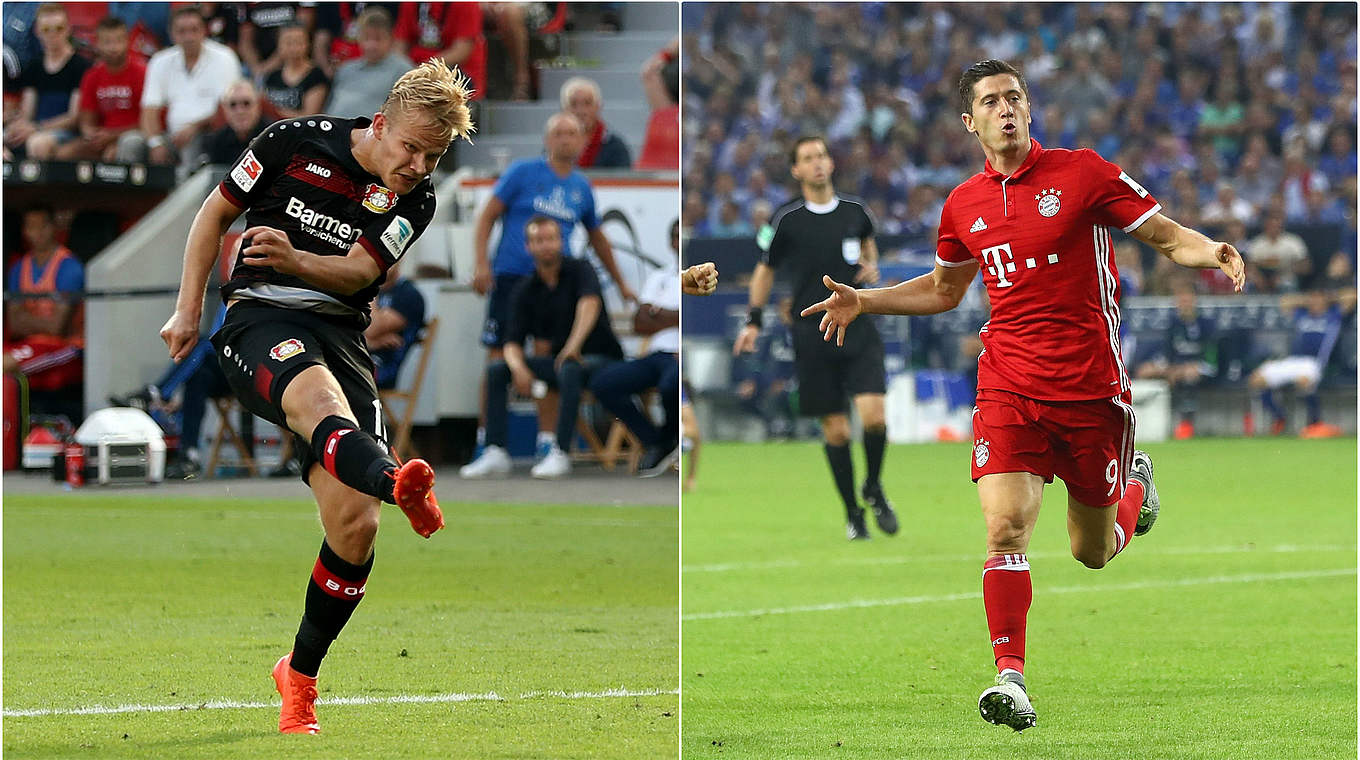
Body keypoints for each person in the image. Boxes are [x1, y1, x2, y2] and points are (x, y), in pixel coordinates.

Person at [802, 59, 1246, 732]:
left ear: (1029, 108)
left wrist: (1212, 250)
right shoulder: (962, 206)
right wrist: (867, 299)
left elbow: (1164, 235)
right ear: (969, 121)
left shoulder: (1083, 174)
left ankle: (1135, 490)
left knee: (1091, 551)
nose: (1006, 108)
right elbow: (945, 291)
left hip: (1092, 391)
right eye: (991, 101)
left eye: (1015, 97)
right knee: (1005, 527)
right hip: (1008, 383)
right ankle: (1011, 677)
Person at [158, 58, 473, 735]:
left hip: (339, 330)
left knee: (355, 527)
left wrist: (296, 256)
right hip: (259, 318)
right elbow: (212, 216)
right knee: (317, 402)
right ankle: (399, 482)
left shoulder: (416, 199)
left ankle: (298, 677)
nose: (419, 164)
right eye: (411, 147)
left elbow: (359, 270)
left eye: (433, 155)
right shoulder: (291, 141)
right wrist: (188, 309)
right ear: (380, 124)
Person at [734, 134, 898, 542]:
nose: (818, 163)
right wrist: (753, 320)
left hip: (858, 324)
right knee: (837, 430)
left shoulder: (856, 212)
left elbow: (869, 251)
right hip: (813, 331)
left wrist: (871, 269)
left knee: (874, 417)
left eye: (821, 155)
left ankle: (873, 486)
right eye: (808, 158)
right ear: (796, 170)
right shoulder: (785, 221)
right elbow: (765, 270)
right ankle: (852, 513)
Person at [460, 216, 625, 480]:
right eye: (539, 240)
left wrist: (573, 346)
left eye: (551, 238)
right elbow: (512, 341)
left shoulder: (580, 269)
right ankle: (495, 450)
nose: (546, 245)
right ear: (528, 247)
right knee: (497, 370)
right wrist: (519, 369)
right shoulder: (526, 288)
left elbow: (590, 304)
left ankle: (560, 451)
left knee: (569, 367)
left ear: (561, 241)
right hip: (561, 363)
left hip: (601, 358)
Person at [589, 220, 682, 477]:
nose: (678, 241)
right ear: (670, 242)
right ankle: (657, 441)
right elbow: (639, 323)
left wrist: (659, 315)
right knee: (603, 384)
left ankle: (667, 440)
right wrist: (679, 316)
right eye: (674, 236)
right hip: (656, 354)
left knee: (670, 386)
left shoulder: (703, 275)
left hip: (682, 355)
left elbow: (695, 319)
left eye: (681, 236)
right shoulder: (660, 277)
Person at [3, 206, 85, 423]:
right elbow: (13, 323)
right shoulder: (18, 268)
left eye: (42, 227)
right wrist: (39, 323)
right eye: (30, 227)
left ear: (53, 228)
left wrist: (26, 320)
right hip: (29, 344)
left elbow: (57, 328)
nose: (36, 233)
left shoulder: (69, 267)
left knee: (5, 365)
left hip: (66, 347)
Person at [136, 5, 242, 168]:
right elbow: (149, 110)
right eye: (182, 31)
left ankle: (187, 192)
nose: (189, 36)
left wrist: (195, 127)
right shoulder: (160, 60)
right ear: (171, 33)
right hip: (172, 135)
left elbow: (230, 108)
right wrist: (156, 143)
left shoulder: (225, 57)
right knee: (131, 143)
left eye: (194, 30)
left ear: (204, 30)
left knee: (192, 142)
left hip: (210, 133)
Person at [1248, 289, 1349, 438]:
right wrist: (1308, 300)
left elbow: (1351, 297)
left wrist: (1328, 299)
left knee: (1303, 381)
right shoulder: (1303, 314)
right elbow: (1285, 301)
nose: (1315, 303)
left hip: (1314, 363)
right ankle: (1279, 417)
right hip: (1292, 360)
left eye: (1319, 300)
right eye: (1312, 300)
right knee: (1256, 379)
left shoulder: (1333, 316)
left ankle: (1315, 424)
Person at [5, 3, 89, 160]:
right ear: (37, 31)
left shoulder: (81, 66)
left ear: (68, 29)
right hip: (38, 130)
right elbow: (28, 111)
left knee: (38, 143)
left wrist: (36, 128)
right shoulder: (35, 66)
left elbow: (73, 118)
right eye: (46, 30)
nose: (52, 35)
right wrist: (18, 127)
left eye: (58, 28)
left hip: (67, 133)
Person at [56, 16, 145, 162]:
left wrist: (113, 136)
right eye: (107, 42)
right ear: (97, 44)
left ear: (127, 41)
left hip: (131, 136)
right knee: (64, 154)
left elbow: (149, 122)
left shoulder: (142, 73)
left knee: (114, 154)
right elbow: (87, 119)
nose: (113, 48)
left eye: (118, 41)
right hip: (101, 137)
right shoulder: (92, 75)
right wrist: (91, 135)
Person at [1134, 283, 1218, 439]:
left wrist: (1188, 367)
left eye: (1187, 300)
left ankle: (1186, 424)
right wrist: (1164, 368)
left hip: (1204, 366)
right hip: (1178, 368)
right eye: (1181, 301)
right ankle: (1144, 426)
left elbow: (1212, 358)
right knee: (1145, 371)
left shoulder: (1207, 325)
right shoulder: (1173, 325)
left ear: (1194, 301)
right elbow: (1168, 353)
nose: (1184, 305)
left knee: (1189, 375)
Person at [324, 7, 412, 119]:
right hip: (333, 130)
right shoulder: (346, 69)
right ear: (359, 38)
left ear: (390, 38)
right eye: (367, 38)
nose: (371, 46)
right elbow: (329, 107)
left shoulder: (403, 71)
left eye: (378, 39)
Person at [261, 24, 330, 119]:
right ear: (279, 45)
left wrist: (275, 112)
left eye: (298, 42)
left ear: (308, 43)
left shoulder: (316, 75)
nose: (293, 48)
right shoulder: (272, 76)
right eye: (288, 42)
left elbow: (309, 116)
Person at [561, 76, 631, 169]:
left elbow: (623, 181)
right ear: (564, 109)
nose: (581, 111)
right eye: (573, 104)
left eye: (587, 103)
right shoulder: (555, 143)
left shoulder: (615, 146)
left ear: (598, 107)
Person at [202, 79, 269, 165]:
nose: (240, 111)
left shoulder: (273, 136)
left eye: (246, 103)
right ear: (225, 109)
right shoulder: (216, 141)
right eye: (233, 105)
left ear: (258, 105)